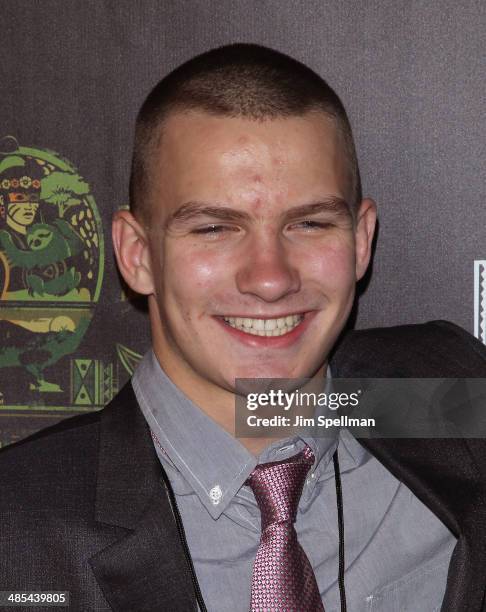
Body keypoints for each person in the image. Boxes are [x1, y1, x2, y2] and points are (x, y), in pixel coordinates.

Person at [1, 43, 485, 612]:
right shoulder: (20, 529)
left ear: (361, 241)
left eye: (308, 223)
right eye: (213, 228)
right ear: (137, 254)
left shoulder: (450, 403)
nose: (270, 278)